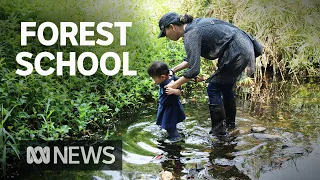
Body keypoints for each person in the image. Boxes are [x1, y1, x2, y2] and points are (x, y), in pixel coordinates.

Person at [158, 12, 257, 136]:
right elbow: (191, 59)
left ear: (172, 27)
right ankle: (230, 126)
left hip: (237, 52)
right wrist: (172, 71)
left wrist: (174, 85)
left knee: (213, 88)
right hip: (244, 48)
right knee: (226, 87)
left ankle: (219, 132)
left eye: (165, 33)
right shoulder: (193, 27)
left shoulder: (191, 34)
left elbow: (194, 70)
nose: (167, 37)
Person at [148, 61, 186, 143]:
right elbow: (176, 78)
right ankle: (169, 129)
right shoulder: (169, 77)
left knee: (170, 127)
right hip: (165, 106)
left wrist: (174, 91)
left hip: (170, 109)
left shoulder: (169, 85)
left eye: (154, 78)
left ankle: (176, 138)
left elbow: (180, 91)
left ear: (162, 77)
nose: (154, 80)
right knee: (167, 123)